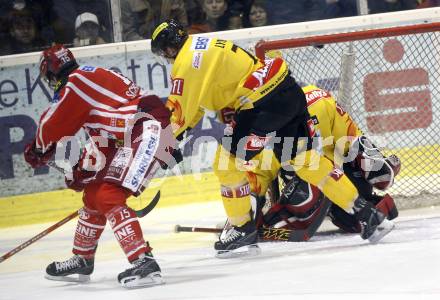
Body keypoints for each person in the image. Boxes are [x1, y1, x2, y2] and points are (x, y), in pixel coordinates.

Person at [150, 19, 394, 257]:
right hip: (288, 92)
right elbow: (198, 106)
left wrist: (166, 145)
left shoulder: (184, 63)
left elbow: (179, 112)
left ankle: (241, 229)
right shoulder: (207, 44)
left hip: (261, 107)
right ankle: (367, 215)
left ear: (167, 49)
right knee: (305, 160)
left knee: (226, 165)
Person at [23, 44, 177, 288]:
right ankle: (83, 259)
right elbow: (104, 137)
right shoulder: (87, 80)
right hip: (136, 130)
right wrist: (84, 170)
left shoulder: (75, 84)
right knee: (94, 193)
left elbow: (51, 124)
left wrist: (38, 148)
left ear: (52, 74)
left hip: (147, 128)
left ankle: (144, 262)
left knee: (108, 194)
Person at [244, 85, 400, 237]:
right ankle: (362, 206)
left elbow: (353, 141)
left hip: (337, 172)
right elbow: (256, 178)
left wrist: (377, 168)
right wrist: (245, 217)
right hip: (312, 174)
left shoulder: (319, 100)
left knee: (350, 220)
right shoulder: (262, 136)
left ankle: (368, 205)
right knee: (310, 195)